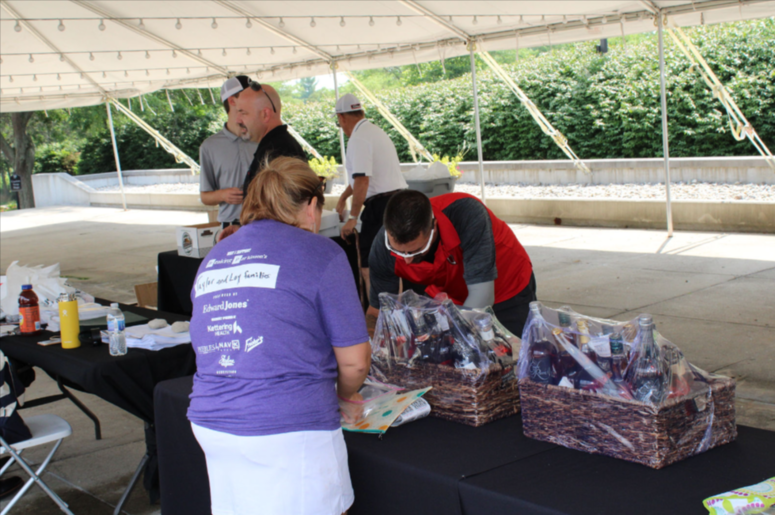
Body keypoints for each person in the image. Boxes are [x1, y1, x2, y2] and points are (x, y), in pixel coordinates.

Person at [188, 156, 370, 515]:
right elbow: (355, 362)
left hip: (212, 423)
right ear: (311, 206)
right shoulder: (321, 253)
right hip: (288, 429)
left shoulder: (218, 254)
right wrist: (343, 396)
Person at [367, 190, 537, 337]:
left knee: (514, 356)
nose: (406, 259)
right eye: (398, 251)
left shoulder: (467, 214)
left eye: (415, 251)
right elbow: (378, 311)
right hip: (448, 295)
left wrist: (453, 339)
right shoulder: (381, 248)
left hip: (505, 287)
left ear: (433, 227)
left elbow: (482, 298)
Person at [334, 93, 407, 297]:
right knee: (393, 265)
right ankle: (395, 317)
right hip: (395, 202)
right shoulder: (374, 132)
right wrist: (343, 197)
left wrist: (352, 218)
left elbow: (362, 180)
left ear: (341, 118)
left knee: (370, 268)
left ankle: (381, 322)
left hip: (381, 207)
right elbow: (362, 177)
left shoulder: (358, 139)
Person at [218, 82, 307, 241]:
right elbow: (266, 212)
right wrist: (243, 229)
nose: (238, 119)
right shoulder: (271, 146)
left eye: (243, 113)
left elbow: (283, 217)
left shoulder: (279, 151)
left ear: (265, 115)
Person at [199, 75, 257, 228]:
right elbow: (205, 196)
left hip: (265, 224)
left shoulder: (263, 139)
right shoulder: (209, 146)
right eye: (248, 96)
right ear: (232, 101)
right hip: (230, 226)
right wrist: (222, 195)